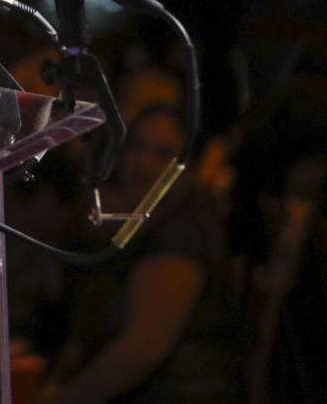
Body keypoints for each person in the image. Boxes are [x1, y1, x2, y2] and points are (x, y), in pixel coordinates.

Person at [43, 105, 243, 404]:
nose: (144, 163)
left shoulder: (180, 230)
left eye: (163, 154)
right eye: (136, 147)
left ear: (186, 167)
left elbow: (142, 349)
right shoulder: (122, 224)